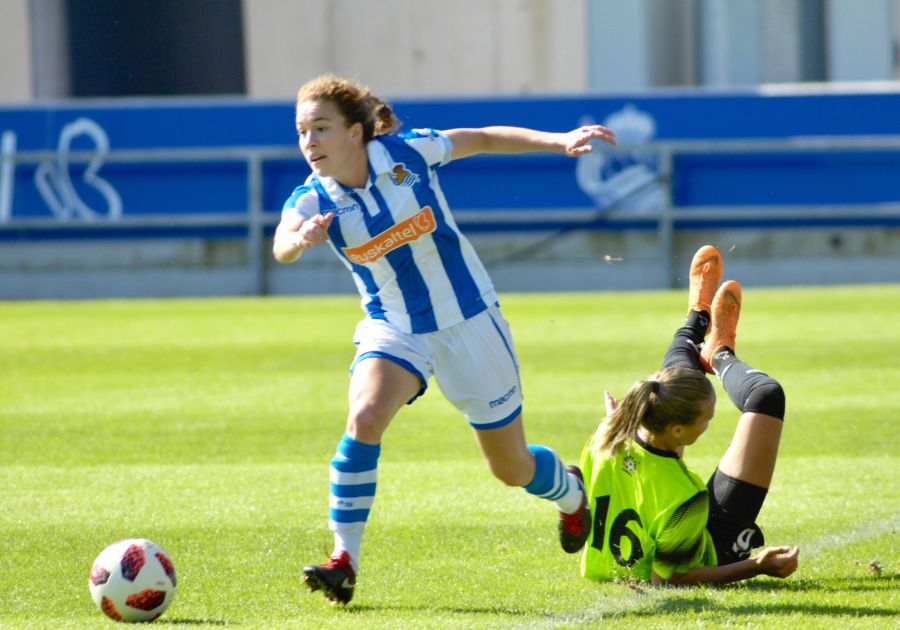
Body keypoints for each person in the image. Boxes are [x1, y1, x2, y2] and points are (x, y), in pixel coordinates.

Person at [273, 74, 618, 604]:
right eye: (302, 132)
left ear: (356, 132)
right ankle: (344, 559)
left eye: (321, 128)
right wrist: (299, 238)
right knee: (364, 418)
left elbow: (480, 137)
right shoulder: (311, 198)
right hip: (395, 326)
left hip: (470, 319)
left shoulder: (408, 153)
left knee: (511, 468)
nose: (309, 143)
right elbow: (281, 245)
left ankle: (571, 494)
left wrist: (557, 140)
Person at [578, 244, 799, 585]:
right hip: (711, 546)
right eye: (706, 419)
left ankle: (696, 318)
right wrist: (756, 565)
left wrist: (618, 423)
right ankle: (720, 353)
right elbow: (665, 580)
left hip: (649, 533)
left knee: (676, 389)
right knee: (766, 398)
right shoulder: (687, 499)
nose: (711, 423)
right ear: (679, 432)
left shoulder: (603, 439)